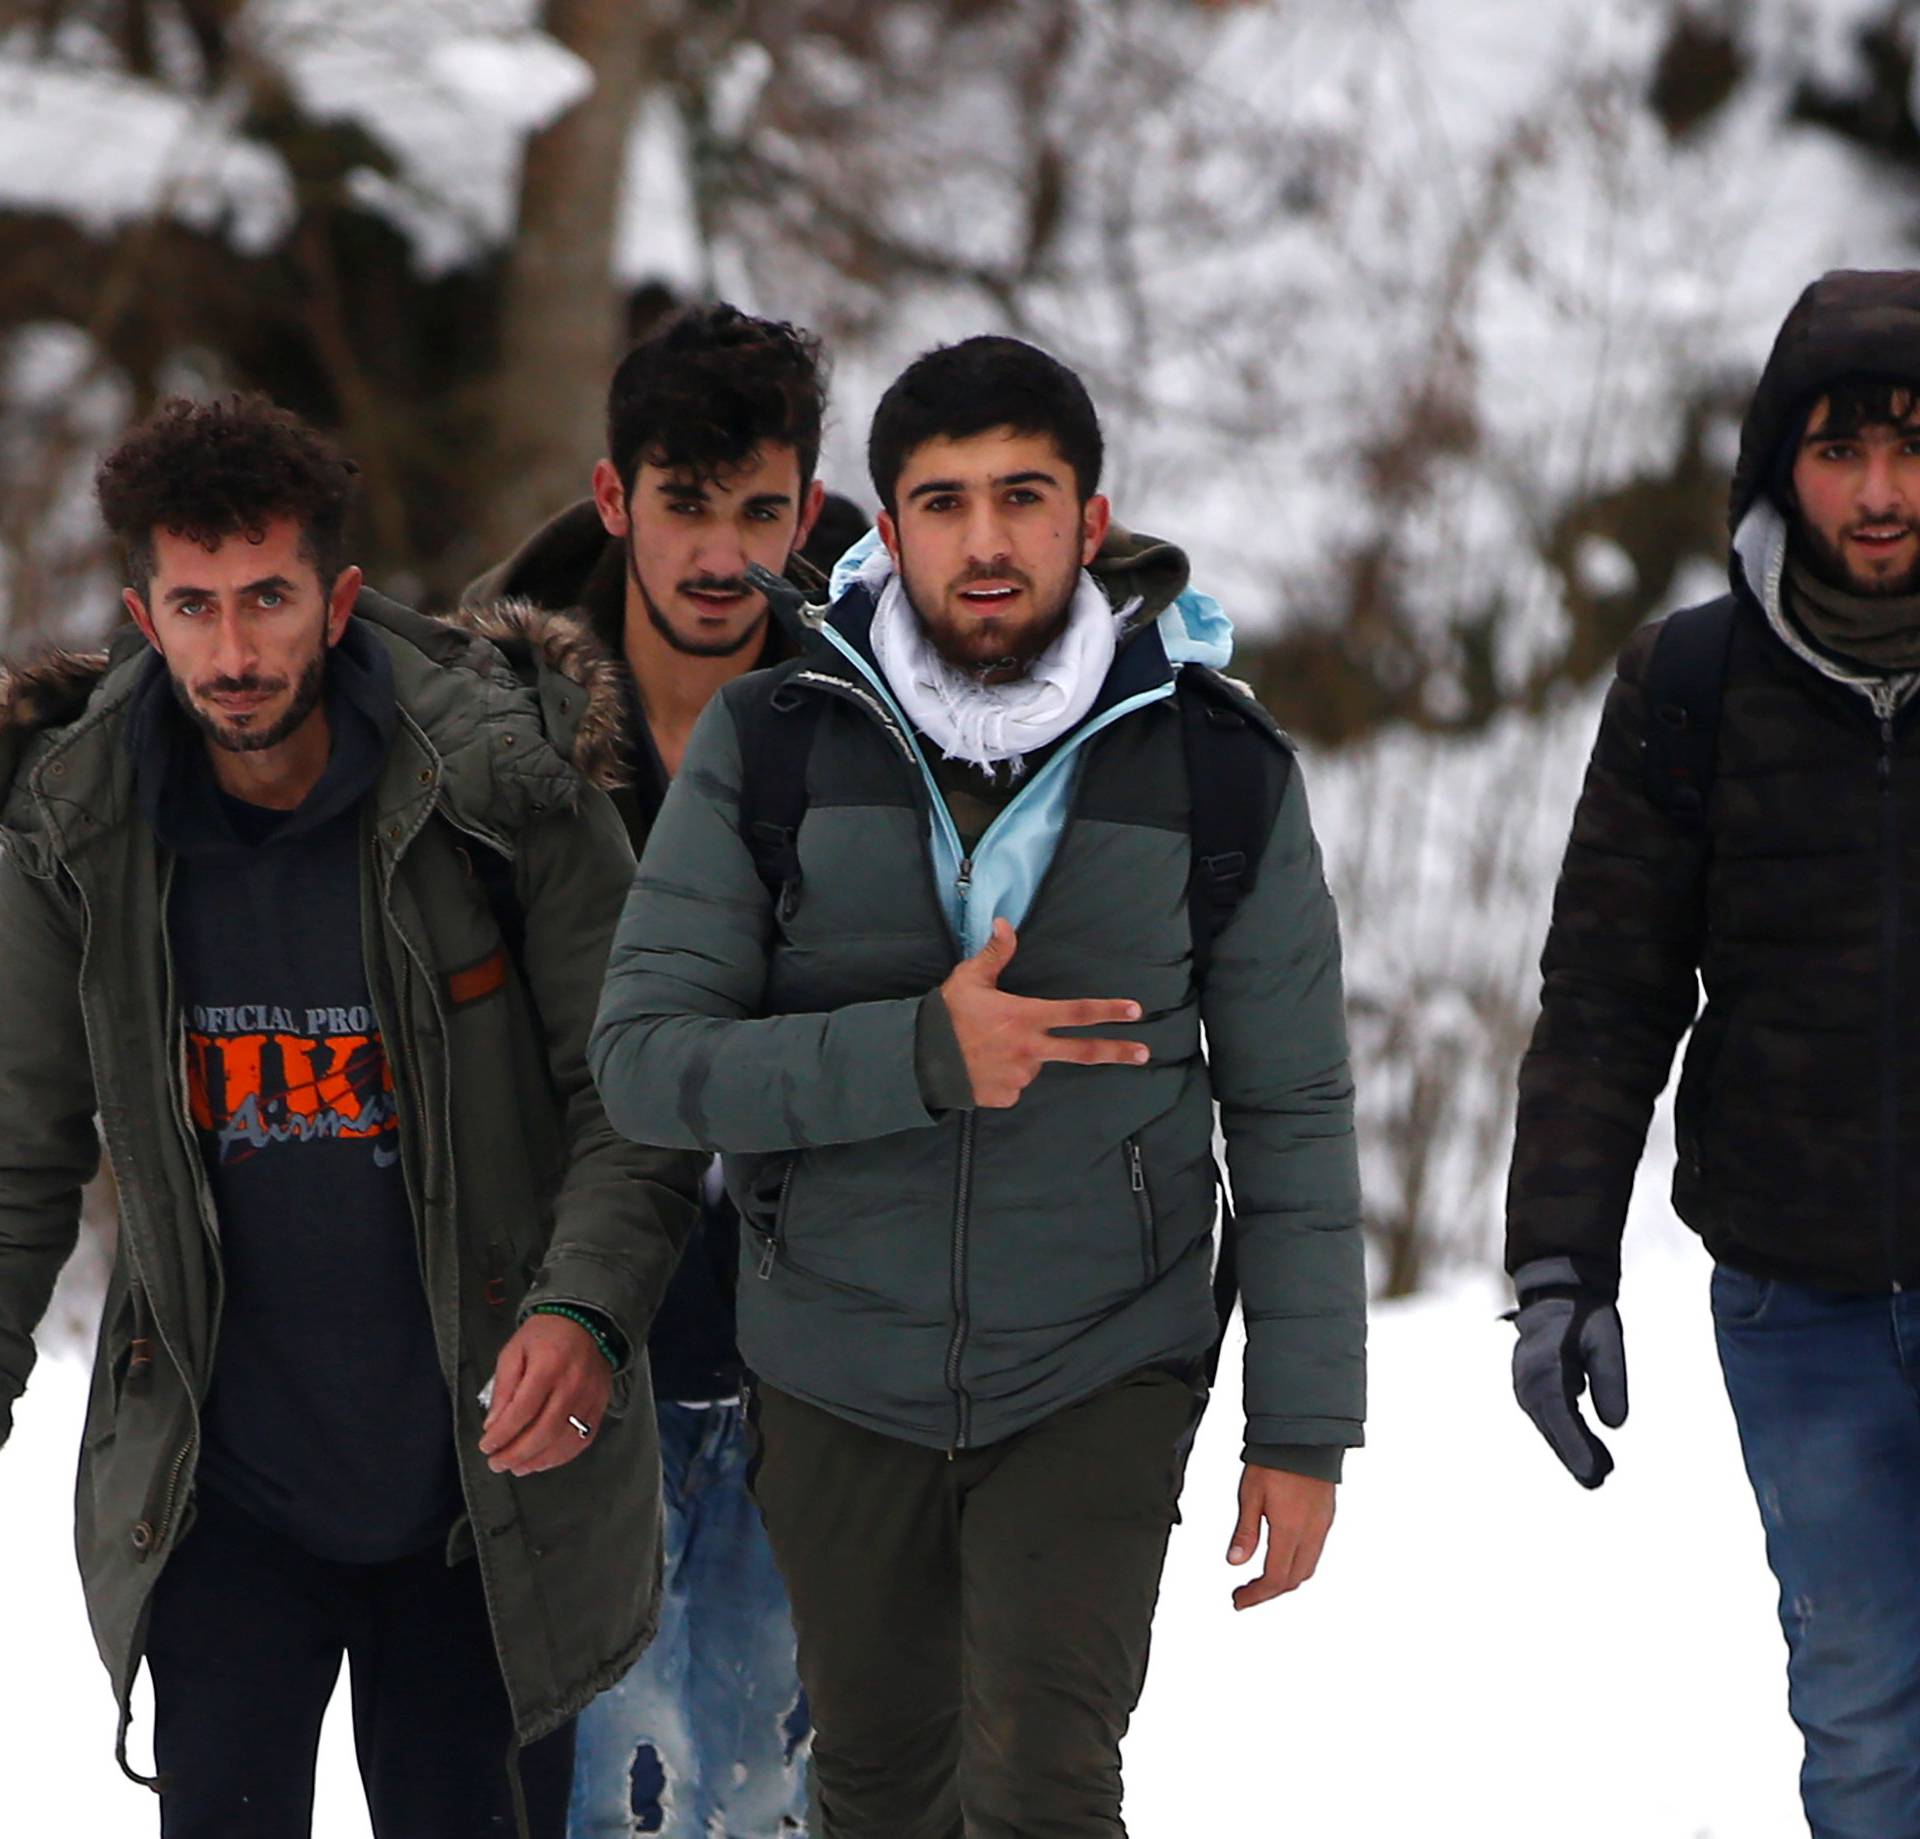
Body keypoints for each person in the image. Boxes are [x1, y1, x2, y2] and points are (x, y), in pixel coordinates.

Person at [588, 334, 1365, 1838]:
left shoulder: (1212, 764)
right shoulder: (775, 745)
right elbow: (644, 1065)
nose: (988, 539)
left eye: (1026, 494)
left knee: (1042, 1781)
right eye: (943, 503)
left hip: (1100, 1359)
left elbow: (1293, 1111)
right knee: (877, 1782)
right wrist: (922, 1056)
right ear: (882, 531)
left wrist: (1301, 1426)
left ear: (1094, 514)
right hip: (832, 1363)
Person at [0, 394, 700, 1839]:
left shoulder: (509, 787)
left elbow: (639, 1091)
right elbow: (16, 1153)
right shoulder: (73, 829)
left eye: (268, 598)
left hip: (478, 1494)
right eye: (194, 606)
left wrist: (587, 1310)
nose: (235, 650)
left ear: (338, 599)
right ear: (144, 612)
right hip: (218, 1485)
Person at [1506, 268, 1920, 1837]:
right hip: (1796, 1305)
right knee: (1870, 1727)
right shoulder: (1691, 689)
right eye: (1836, 453)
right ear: (1776, 469)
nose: (1877, 493)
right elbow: (1608, 990)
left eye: (1909, 447)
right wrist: (1558, 1266)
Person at [468, 301, 829, 1837]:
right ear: (616, 501)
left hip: (819, 1381)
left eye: (761, 512)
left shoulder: (886, 718)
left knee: (790, 1810)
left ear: (808, 512)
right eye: (685, 507)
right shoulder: (481, 741)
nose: (720, 555)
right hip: (567, 1385)